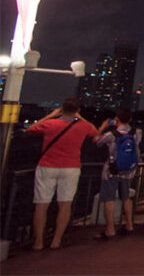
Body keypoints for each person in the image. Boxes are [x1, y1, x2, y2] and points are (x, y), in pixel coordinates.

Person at [26, 98, 99, 250]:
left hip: (47, 166)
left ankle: (38, 242)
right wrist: (79, 116)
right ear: (77, 110)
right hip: (71, 167)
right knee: (65, 204)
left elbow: (31, 129)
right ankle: (56, 241)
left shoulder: (51, 124)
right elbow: (95, 131)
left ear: (61, 109)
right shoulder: (82, 126)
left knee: (41, 205)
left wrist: (50, 115)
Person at [94, 108, 142, 239]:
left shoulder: (111, 135)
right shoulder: (137, 133)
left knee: (108, 199)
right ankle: (129, 225)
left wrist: (103, 127)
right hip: (129, 170)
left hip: (112, 170)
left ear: (116, 119)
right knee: (126, 197)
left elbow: (97, 141)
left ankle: (110, 229)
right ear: (130, 119)